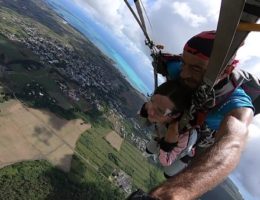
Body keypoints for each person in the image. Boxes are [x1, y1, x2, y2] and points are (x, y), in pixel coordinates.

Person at [147, 31, 254, 200]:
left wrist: (176, 193)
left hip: (198, 140)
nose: (184, 74)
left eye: (196, 68)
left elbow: (233, 142)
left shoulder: (236, 103)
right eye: (184, 63)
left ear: (225, 71)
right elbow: (168, 63)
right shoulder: (177, 69)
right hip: (179, 123)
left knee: (170, 172)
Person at [139, 80, 198, 177]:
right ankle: (155, 146)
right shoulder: (152, 108)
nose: (151, 112)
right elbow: (149, 111)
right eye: (152, 101)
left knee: (168, 173)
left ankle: (187, 159)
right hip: (164, 132)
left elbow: (166, 162)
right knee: (149, 149)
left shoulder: (183, 137)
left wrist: (166, 145)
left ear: (175, 115)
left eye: (160, 111)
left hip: (184, 150)